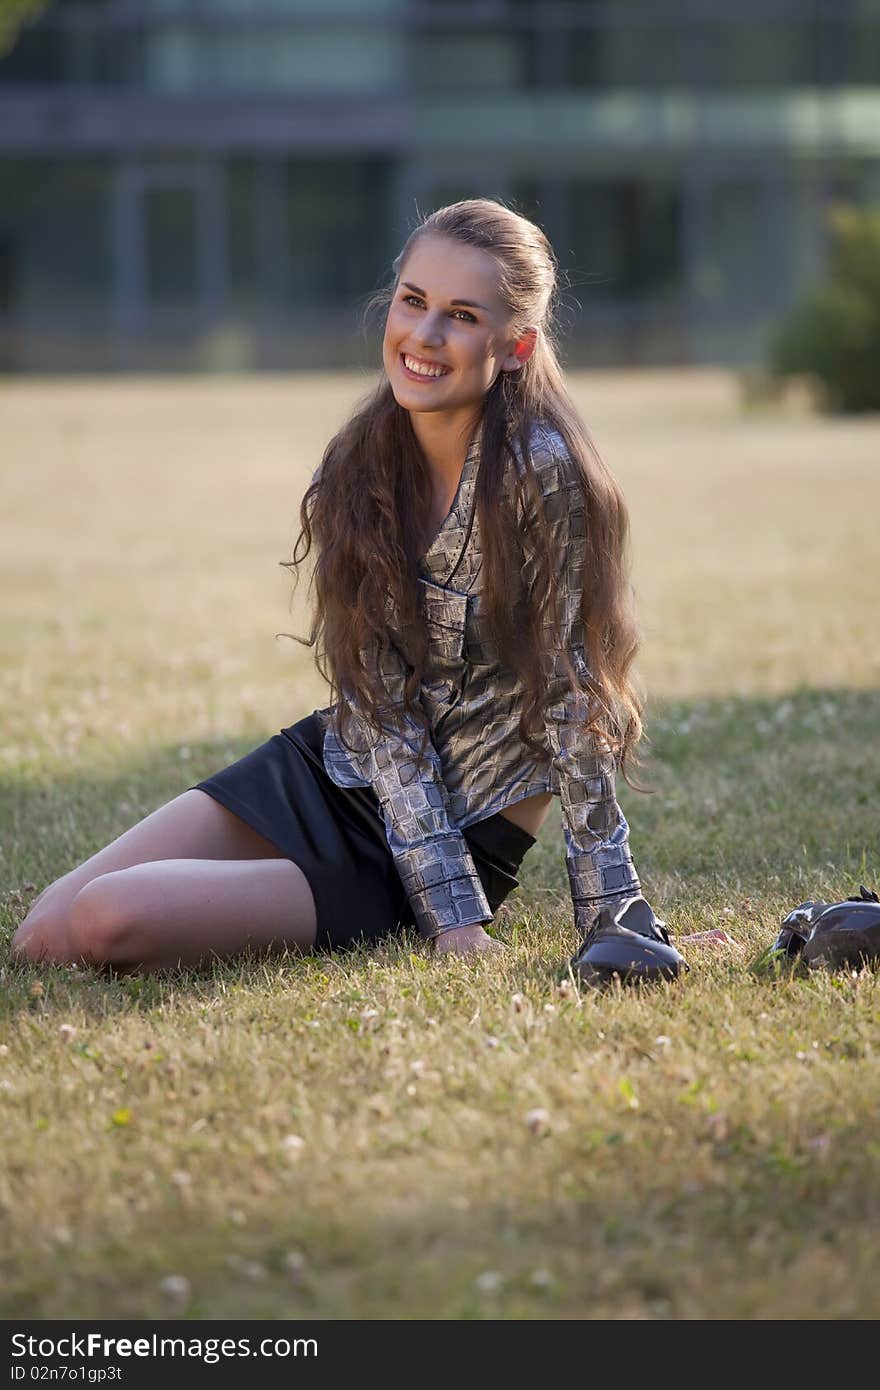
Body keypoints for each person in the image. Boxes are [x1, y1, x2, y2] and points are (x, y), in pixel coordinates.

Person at [12, 197, 672, 978]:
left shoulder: (544, 470)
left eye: (461, 316)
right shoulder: (357, 466)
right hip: (338, 766)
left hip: (453, 834)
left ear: (517, 346)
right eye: (413, 301)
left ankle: (307, 899)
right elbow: (382, 707)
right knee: (43, 936)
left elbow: (571, 696)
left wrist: (594, 920)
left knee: (104, 921)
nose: (424, 336)